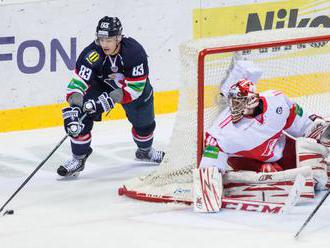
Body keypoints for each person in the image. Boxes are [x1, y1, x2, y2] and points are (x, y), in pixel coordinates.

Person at [193, 61, 330, 212]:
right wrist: (207, 186)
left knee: (312, 152)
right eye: (233, 102)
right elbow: (212, 153)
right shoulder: (223, 130)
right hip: (249, 162)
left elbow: (302, 124)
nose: (234, 107)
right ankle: (263, 176)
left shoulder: (276, 101)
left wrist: (321, 131)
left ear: (253, 99)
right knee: (293, 172)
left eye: (240, 101)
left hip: (281, 150)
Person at [57, 16, 165, 177]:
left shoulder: (134, 52)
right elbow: (77, 84)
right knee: (80, 113)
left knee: (145, 124)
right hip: (100, 87)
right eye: (101, 39)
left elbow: (135, 88)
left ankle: (145, 151)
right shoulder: (91, 54)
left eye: (108, 39)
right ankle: (78, 158)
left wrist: (108, 101)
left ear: (118, 38)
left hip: (132, 88)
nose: (104, 44)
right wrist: (75, 107)